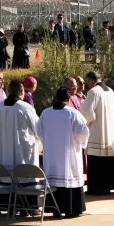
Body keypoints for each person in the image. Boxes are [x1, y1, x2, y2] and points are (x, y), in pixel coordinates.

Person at [37, 88, 89, 218]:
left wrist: (47, 142)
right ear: (69, 99)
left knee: (54, 180)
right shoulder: (73, 113)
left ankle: (55, 209)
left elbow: (39, 131)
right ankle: (72, 209)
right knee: (69, 175)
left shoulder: (45, 113)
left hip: (52, 156)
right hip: (69, 154)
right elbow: (83, 132)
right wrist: (79, 142)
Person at [80, 71, 114, 195]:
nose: (87, 84)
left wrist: (83, 123)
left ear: (92, 80)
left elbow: (86, 113)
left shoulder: (93, 92)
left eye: (87, 81)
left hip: (98, 131)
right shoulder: (110, 91)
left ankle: (96, 188)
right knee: (108, 160)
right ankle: (108, 186)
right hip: (110, 132)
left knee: (96, 160)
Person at [0, 79, 41, 171]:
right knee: (24, 177)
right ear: (21, 91)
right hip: (23, 154)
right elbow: (38, 128)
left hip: (4, 153)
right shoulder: (25, 108)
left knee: (7, 180)